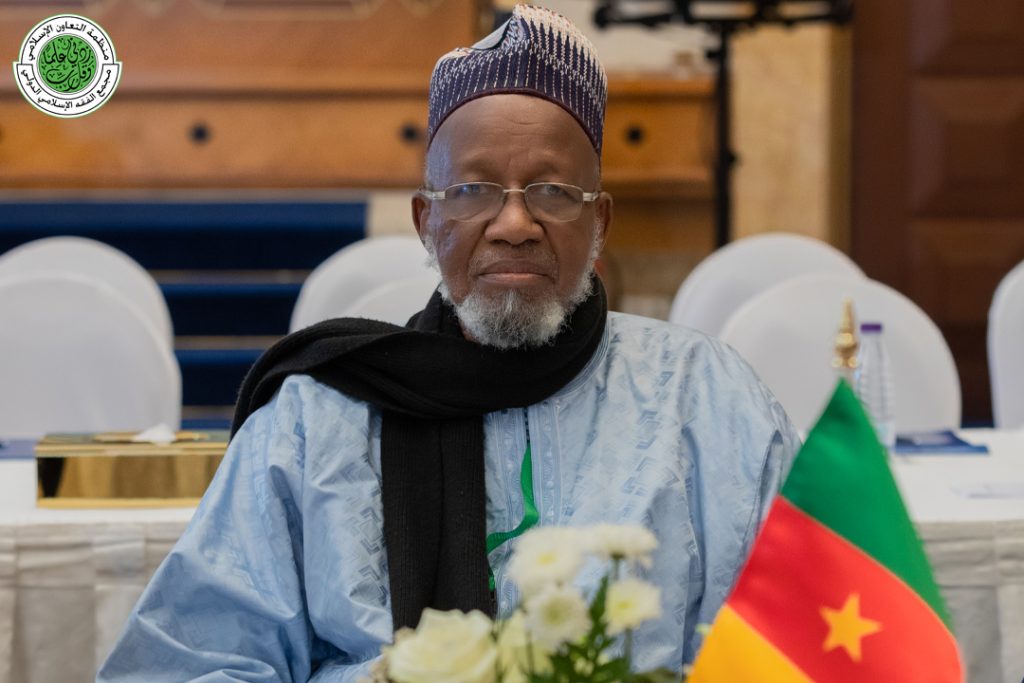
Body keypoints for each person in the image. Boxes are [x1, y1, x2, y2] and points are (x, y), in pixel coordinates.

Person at [98, 6, 799, 681]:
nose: (514, 224)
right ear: (426, 222)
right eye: (473, 190)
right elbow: (187, 664)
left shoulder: (708, 400)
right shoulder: (317, 420)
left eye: (552, 191)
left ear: (600, 223)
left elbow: (799, 643)